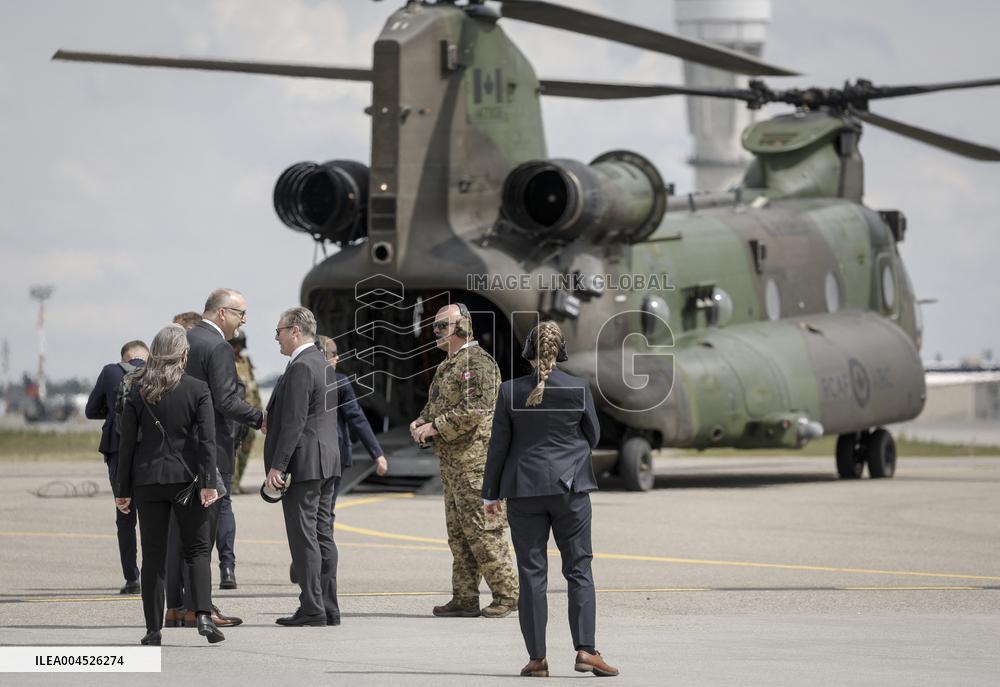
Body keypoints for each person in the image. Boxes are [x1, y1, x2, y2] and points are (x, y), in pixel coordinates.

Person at [482, 321, 618, 678]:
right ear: (560, 352)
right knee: (579, 569)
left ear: (529, 352)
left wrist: (490, 493)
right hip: (569, 490)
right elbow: (592, 436)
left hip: (523, 491)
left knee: (531, 575)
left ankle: (537, 659)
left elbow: (498, 447)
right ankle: (586, 650)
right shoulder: (578, 389)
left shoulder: (509, 392)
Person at [114, 324, 225, 646]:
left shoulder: (137, 390)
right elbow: (208, 442)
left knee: (153, 556)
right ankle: (203, 616)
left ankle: (153, 629)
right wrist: (208, 483)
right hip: (186, 480)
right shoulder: (197, 389)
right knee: (197, 549)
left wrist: (122, 490)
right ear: (184, 355)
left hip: (148, 480)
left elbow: (127, 446)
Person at [410, 303, 518, 619]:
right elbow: (439, 406)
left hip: (477, 465)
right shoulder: (450, 365)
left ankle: (507, 595)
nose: (436, 333)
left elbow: (476, 410)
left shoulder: (479, 363)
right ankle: (465, 597)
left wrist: (435, 427)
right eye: (434, 327)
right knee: (459, 536)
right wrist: (421, 422)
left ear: (462, 327)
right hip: (454, 466)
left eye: (442, 326)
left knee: (485, 532)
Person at [293, 336, 389, 618]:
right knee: (324, 521)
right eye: (334, 355)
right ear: (330, 356)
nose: (336, 360)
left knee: (316, 524)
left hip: (314, 459)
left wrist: (376, 452)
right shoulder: (339, 381)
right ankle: (315, 575)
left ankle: (310, 566)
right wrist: (377, 453)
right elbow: (356, 418)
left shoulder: (307, 376)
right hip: (335, 458)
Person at [265, 307, 340, 626]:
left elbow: (294, 423)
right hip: (327, 461)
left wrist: (277, 467)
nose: (277, 338)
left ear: (295, 331)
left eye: (279, 332)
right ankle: (328, 605)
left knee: (304, 536)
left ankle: (311, 607)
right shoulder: (323, 364)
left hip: (305, 462)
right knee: (322, 534)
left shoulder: (300, 367)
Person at [186, 288, 264, 592]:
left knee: (186, 535)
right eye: (240, 313)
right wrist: (261, 419)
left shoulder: (187, 340)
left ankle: (180, 607)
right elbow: (227, 402)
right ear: (223, 313)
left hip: (183, 448)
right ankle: (200, 606)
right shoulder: (218, 347)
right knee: (206, 533)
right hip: (213, 448)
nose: (243, 321)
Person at [85, 339, 149, 594]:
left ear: (125, 357)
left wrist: (114, 411)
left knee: (125, 515)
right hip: (149, 452)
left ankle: (132, 578)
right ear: (145, 356)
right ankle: (157, 575)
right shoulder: (156, 372)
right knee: (152, 517)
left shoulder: (111, 371)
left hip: (117, 451)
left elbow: (90, 410)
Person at [230, 332, 262, 495]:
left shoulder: (246, 362)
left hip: (252, 412)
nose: (238, 349)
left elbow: (254, 388)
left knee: (246, 450)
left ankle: (237, 481)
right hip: (236, 413)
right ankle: (232, 484)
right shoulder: (226, 362)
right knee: (234, 449)